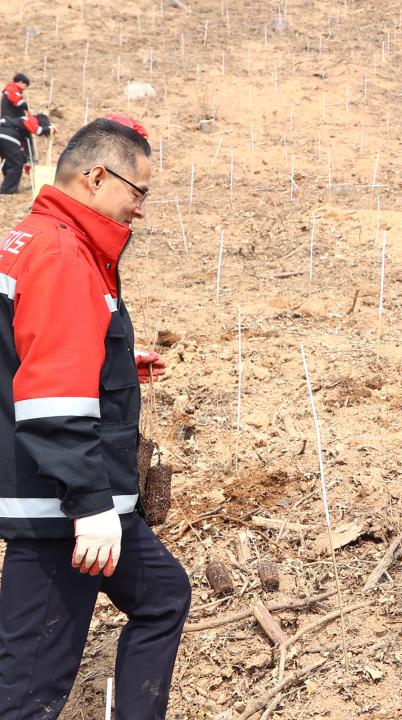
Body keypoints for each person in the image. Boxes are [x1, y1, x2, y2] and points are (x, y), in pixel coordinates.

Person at [0, 118, 190, 718]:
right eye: (138, 191)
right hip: (63, 508)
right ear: (96, 176)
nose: (141, 208)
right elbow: (51, 400)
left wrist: (110, 356)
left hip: (73, 493)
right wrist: (90, 507)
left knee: (163, 594)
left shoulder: (32, 237)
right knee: (28, 690)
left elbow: (28, 347)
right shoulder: (63, 254)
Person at [0, 113, 52, 194]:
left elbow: (21, 149)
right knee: (16, 164)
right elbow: (38, 131)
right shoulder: (30, 119)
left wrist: (26, 162)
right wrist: (49, 128)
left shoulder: (21, 128)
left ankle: (8, 186)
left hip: (5, 136)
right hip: (8, 136)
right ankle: (6, 190)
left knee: (9, 163)